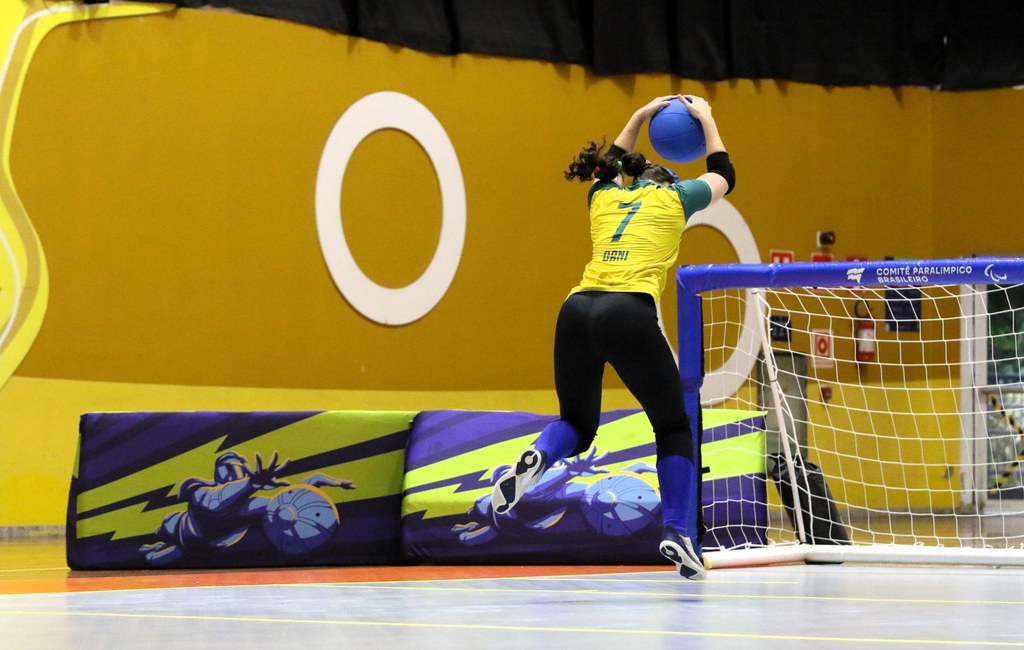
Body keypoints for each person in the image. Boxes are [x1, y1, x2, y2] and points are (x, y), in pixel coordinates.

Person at [491, 94, 734, 580]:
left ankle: (539, 454)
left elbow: (606, 166)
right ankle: (679, 534)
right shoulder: (675, 199)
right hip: (627, 311)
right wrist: (705, 117)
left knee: (578, 425)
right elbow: (725, 173)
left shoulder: (603, 197)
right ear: (667, 183)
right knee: (672, 426)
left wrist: (641, 114)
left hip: (576, 310)